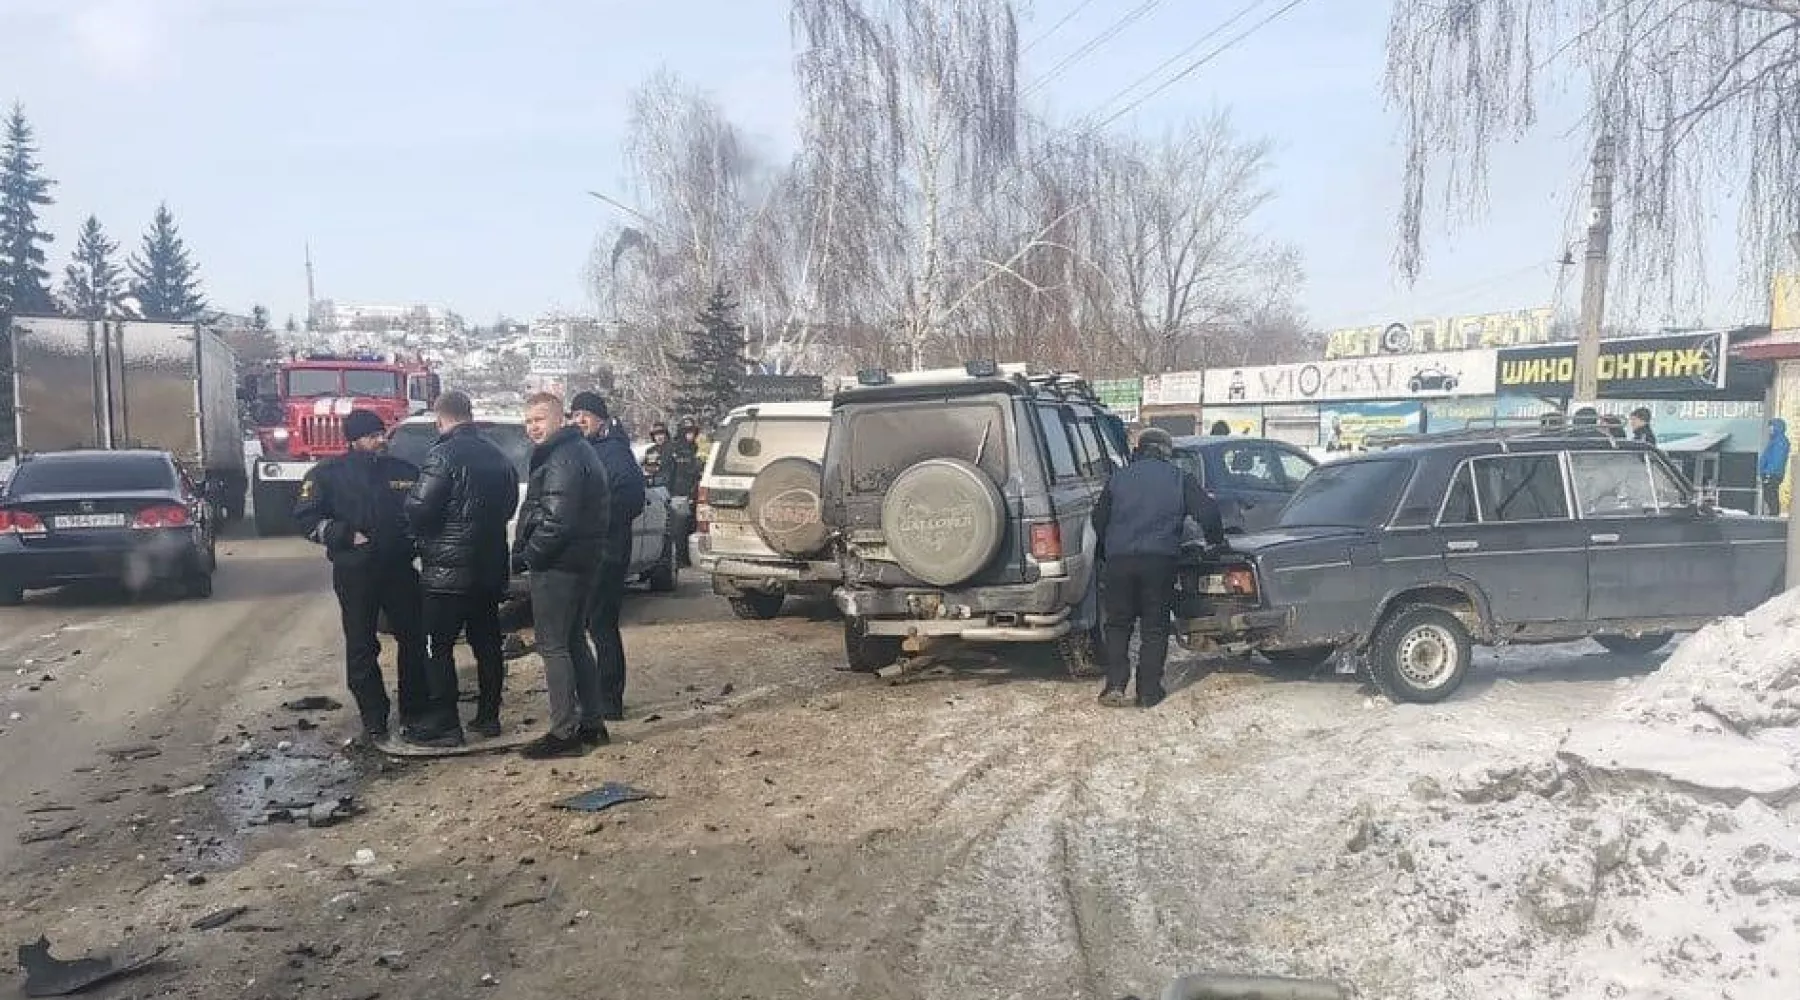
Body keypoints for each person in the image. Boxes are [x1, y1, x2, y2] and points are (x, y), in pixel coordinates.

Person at [294, 409, 428, 743]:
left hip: (399, 569)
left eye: (382, 434)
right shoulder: (326, 475)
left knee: (413, 639)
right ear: (354, 440)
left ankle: (416, 710)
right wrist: (344, 534)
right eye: (372, 436)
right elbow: (305, 520)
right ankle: (374, 716)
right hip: (356, 571)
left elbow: (423, 511)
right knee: (361, 645)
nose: (380, 441)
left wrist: (416, 540)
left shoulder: (403, 471)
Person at [404, 391, 519, 745]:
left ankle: (445, 721)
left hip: (447, 572)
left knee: (436, 645)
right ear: (470, 415)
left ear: (440, 419)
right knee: (486, 643)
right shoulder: (499, 456)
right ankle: (488, 716)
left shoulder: (441, 456)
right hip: (488, 568)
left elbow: (420, 508)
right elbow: (510, 505)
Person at [1091, 427, 1225, 709]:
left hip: (1119, 562)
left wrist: (1108, 549)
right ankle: (1148, 691)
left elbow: (1098, 518)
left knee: (1117, 624)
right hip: (1159, 562)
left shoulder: (1118, 479)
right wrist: (1216, 541)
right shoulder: (1179, 479)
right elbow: (1209, 513)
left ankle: (1115, 685)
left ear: (1139, 451)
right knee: (1154, 627)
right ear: (1166, 453)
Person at [513, 391, 612, 759]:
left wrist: (531, 556)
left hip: (560, 564)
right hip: (580, 561)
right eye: (528, 421)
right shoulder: (575, 451)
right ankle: (592, 723)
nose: (532, 427)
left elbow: (557, 519)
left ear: (560, 418)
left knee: (552, 645)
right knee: (572, 641)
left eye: (539, 419)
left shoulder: (564, 457)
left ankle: (563, 732)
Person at [569, 391, 646, 721]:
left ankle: (609, 699)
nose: (579, 420)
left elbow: (631, 499)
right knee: (591, 624)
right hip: (591, 551)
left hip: (606, 552)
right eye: (575, 415)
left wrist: (593, 518)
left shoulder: (614, 451)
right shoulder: (591, 448)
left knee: (601, 625)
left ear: (600, 417)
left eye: (585, 414)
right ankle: (595, 694)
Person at [664, 419, 704, 567]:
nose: (690, 435)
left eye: (693, 432)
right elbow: (671, 473)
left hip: (694, 494)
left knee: (691, 527)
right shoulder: (675, 449)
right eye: (687, 432)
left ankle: (688, 558)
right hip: (679, 494)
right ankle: (680, 559)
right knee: (679, 529)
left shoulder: (695, 448)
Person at [1761, 417, 1790, 515]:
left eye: (1771, 426)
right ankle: (1773, 513)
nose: (1770, 429)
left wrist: (1769, 472)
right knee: (1768, 494)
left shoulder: (1780, 441)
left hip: (1773, 473)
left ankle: (1774, 514)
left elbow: (1777, 459)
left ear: (1777, 427)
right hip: (1770, 472)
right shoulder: (1774, 440)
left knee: (1770, 494)